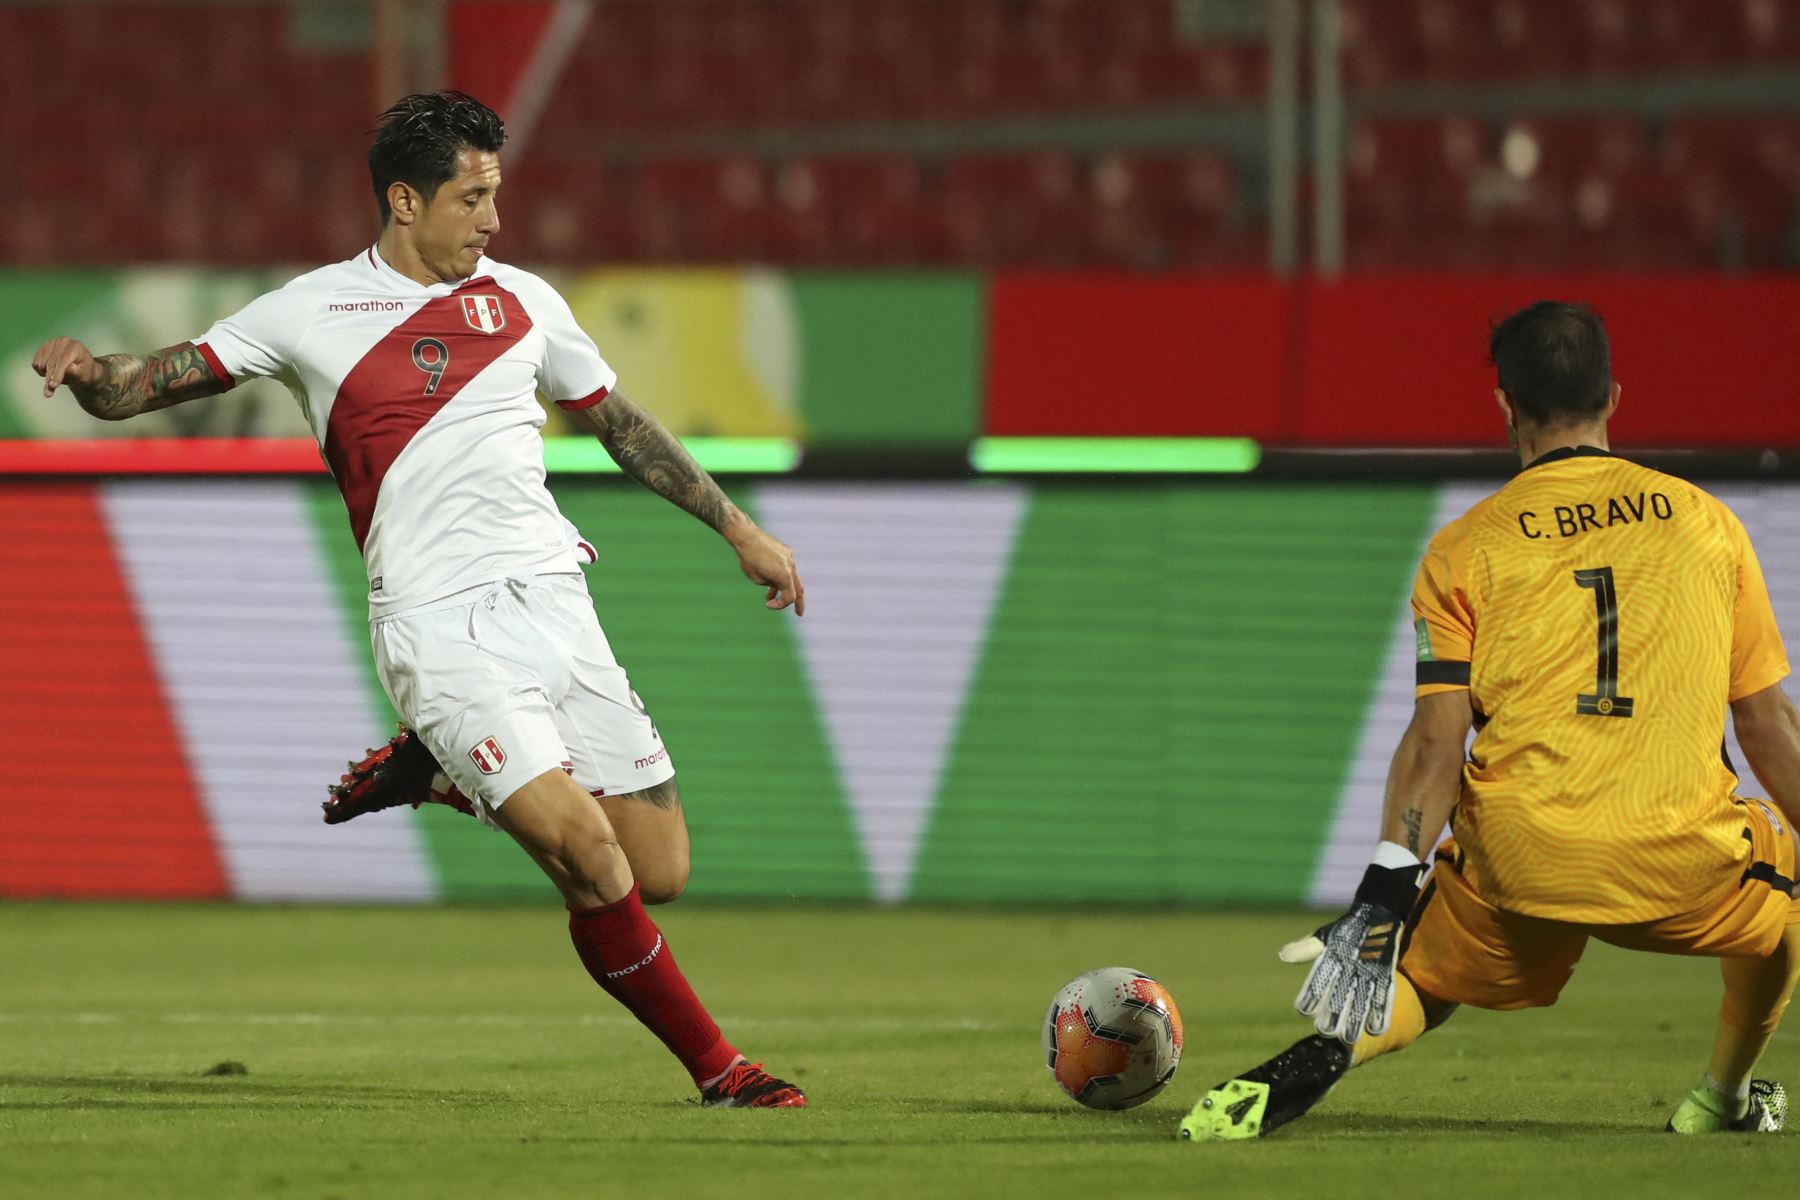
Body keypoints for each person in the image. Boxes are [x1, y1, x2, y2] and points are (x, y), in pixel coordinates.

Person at [31, 91, 809, 1109]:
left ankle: (442, 774)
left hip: (557, 605)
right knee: (589, 856)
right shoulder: (309, 310)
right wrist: (90, 372)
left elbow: (617, 422)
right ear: (405, 199)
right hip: (438, 626)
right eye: (472, 197)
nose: (493, 219)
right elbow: (153, 380)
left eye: (497, 195)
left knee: (659, 869)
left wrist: (739, 529)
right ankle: (723, 1071)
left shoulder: (527, 301)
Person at [1179, 301, 1800, 1141]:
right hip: (1677, 857)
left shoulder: (1464, 549)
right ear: (1614, 396)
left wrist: (1384, 890)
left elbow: (1437, 743)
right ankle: (1722, 1099)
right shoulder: (1708, 524)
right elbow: (1764, 725)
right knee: (1783, 900)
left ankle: (1312, 1063)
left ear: (1505, 406)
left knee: (1430, 978)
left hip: (1523, 858)